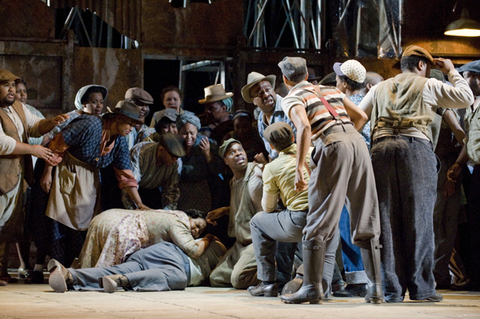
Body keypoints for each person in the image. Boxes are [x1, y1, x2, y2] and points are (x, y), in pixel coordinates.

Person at [358, 45, 474, 302]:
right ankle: (422, 290)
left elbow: (357, 117)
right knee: (420, 220)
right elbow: (465, 98)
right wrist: (452, 71)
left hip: (381, 149)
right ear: (422, 65)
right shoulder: (428, 84)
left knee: (386, 221)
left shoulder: (379, 88)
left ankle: (391, 290)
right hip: (415, 149)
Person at [277, 56, 382, 304]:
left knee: (319, 217)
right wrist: (347, 140)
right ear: (306, 74)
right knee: (365, 214)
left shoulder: (292, 97)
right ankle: (376, 288)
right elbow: (361, 117)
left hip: (332, 144)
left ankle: (312, 287)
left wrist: (300, 166)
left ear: (285, 79)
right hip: (357, 143)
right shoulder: (329, 89)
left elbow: (303, 127)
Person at [40, 100, 149, 267]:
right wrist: (48, 171)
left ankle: (74, 269)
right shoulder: (91, 124)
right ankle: (56, 266)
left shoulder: (119, 141)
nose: (131, 128)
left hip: (90, 179)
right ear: (118, 118)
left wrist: (139, 203)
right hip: (66, 170)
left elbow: (125, 175)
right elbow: (58, 142)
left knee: (84, 226)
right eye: (130, 123)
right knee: (59, 221)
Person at [248, 122, 340, 298]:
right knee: (326, 247)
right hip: (327, 216)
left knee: (257, 222)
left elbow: (269, 207)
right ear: (292, 137)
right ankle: (324, 289)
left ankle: (267, 283)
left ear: (271, 146)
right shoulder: (313, 151)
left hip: (300, 221)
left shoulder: (272, 167)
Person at [0, 69, 68, 286]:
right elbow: (2, 143)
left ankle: (0, 271)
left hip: (16, 178)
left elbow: (35, 125)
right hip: (1, 177)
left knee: (8, 227)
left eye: (13, 86)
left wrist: (51, 122)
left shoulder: (17, 107)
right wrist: (33, 149)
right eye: (6, 86)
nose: (12, 90)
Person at [48, 238, 226, 293]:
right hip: (177, 260)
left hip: (152, 253)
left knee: (115, 269)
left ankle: (68, 274)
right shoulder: (219, 246)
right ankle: (122, 281)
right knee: (179, 279)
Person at [206, 139, 263, 289]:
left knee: (237, 279)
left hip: (256, 241)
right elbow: (246, 206)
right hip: (240, 243)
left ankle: (280, 271)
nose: (238, 153)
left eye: (240, 150)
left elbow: (264, 211)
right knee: (216, 278)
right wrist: (225, 210)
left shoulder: (256, 175)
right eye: (232, 152)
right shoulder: (234, 181)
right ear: (225, 161)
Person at [78, 208, 210, 268]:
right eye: (197, 225)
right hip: (118, 226)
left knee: (91, 263)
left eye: (201, 232)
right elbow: (194, 251)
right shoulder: (179, 223)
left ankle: (79, 276)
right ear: (189, 217)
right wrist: (208, 238)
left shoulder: (170, 214)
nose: (196, 230)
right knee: (104, 271)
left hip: (109, 216)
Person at [448, 59, 480, 290]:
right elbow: (469, 142)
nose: (464, 82)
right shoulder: (471, 106)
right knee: (475, 224)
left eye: (466, 76)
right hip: (475, 169)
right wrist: (458, 165)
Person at [241, 72, 296, 162]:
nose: (266, 95)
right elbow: (271, 150)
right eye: (260, 93)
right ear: (253, 100)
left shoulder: (288, 108)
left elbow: (296, 143)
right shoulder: (260, 120)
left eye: (268, 89)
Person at [176, 113, 224, 213]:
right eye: (184, 133)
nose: (189, 137)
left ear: (197, 131)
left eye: (192, 133)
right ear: (178, 132)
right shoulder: (174, 145)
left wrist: (208, 154)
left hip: (203, 188)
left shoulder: (208, 143)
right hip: (181, 189)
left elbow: (217, 169)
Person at [123, 133, 184, 210]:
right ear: (161, 149)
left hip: (152, 190)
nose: (175, 160)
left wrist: (166, 213)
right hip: (132, 189)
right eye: (172, 156)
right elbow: (129, 185)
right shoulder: (140, 153)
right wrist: (135, 210)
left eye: (177, 157)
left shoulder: (177, 162)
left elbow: (171, 192)